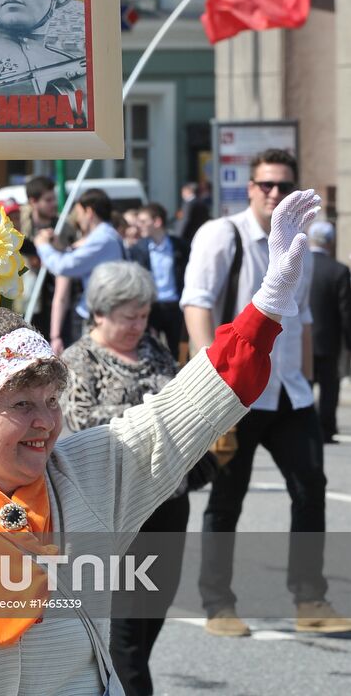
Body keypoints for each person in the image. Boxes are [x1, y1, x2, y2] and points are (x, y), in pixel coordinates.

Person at [0, 190, 319, 695]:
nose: (46, 421)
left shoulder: (85, 472)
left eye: (51, 400)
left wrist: (268, 305)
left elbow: (183, 411)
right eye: (21, 405)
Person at [182, 149, 350, 636]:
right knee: (227, 498)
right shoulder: (223, 233)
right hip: (236, 392)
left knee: (310, 489)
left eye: (283, 186)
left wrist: (309, 384)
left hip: (290, 395)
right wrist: (212, 380)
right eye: (266, 185)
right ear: (250, 187)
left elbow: (304, 321)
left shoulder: (299, 242)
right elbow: (198, 302)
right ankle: (218, 603)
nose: (274, 193)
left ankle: (310, 598)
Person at [62, 260, 214, 696]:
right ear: (100, 313)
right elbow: (83, 423)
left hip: (169, 500)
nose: (138, 325)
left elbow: (182, 403)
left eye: (143, 315)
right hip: (116, 505)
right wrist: (153, 413)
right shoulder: (79, 360)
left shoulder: (155, 349)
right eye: (129, 317)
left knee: (153, 614)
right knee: (125, 627)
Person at [35, 188, 125, 337]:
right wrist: (59, 248)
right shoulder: (108, 235)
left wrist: (42, 245)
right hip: (100, 311)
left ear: (89, 212)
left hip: (98, 315)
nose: (77, 219)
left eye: (78, 213)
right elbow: (77, 257)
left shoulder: (102, 239)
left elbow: (64, 266)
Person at [18, 176, 75, 346]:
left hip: (56, 301)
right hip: (29, 299)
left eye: (54, 199)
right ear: (33, 201)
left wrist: (58, 248)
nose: (53, 204)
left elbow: (69, 260)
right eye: (48, 200)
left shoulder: (63, 227)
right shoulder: (21, 226)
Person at [308, 220, 351, 443]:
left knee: (304, 386)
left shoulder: (300, 266)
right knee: (329, 389)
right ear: (331, 242)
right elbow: (346, 312)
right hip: (328, 341)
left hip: (301, 341)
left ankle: (304, 428)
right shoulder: (339, 271)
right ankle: (326, 429)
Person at [128, 202, 188, 359]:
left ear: (157, 222)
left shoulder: (180, 246)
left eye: (143, 221)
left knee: (181, 352)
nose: (138, 226)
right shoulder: (137, 249)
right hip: (151, 307)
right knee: (149, 350)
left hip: (176, 307)